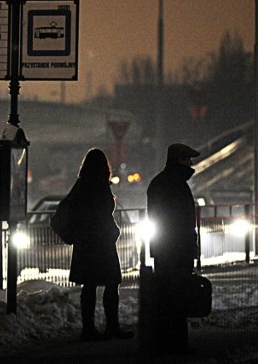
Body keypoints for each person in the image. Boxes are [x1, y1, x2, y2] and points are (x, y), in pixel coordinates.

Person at [68, 148, 134, 341]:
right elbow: (103, 213)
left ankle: (88, 328)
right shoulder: (100, 185)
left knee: (89, 286)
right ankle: (111, 327)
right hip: (102, 243)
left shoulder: (81, 185)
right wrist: (113, 230)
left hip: (85, 243)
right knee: (111, 285)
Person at [146, 143, 201, 353]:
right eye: (188, 160)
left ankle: (164, 341)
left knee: (166, 297)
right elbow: (183, 222)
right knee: (178, 298)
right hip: (178, 249)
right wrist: (190, 248)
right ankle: (178, 343)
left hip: (163, 249)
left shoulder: (158, 183)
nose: (191, 164)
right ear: (179, 160)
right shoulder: (178, 185)